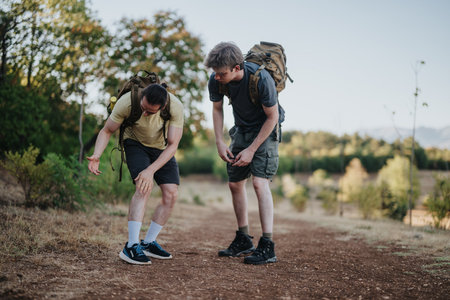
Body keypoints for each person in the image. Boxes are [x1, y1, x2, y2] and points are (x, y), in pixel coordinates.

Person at [87, 83, 183, 265]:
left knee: (171, 193)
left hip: (162, 148)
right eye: (143, 108)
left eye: (150, 112)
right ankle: (131, 246)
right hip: (135, 143)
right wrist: (97, 155)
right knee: (143, 187)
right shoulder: (127, 102)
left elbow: (173, 145)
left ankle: (148, 243)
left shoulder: (175, 106)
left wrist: (150, 170)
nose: (145, 114)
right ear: (142, 98)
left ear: (162, 108)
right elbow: (107, 130)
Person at [204, 42, 281, 265]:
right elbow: (217, 109)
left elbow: (272, 117)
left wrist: (251, 150)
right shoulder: (216, 80)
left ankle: (267, 246)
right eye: (215, 73)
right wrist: (219, 141)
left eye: (222, 74)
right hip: (241, 130)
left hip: (265, 131)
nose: (217, 77)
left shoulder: (261, 79)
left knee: (259, 183)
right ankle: (243, 239)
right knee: (235, 183)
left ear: (237, 68)